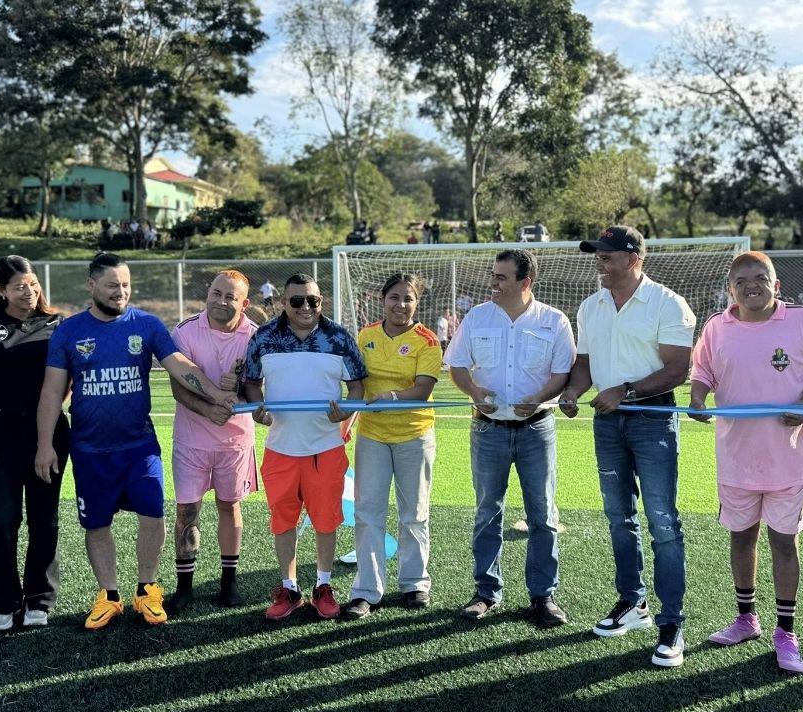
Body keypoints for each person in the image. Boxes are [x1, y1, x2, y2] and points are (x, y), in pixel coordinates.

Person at [34, 253, 235, 630]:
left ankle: (147, 589)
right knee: (96, 525)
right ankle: (109, 595)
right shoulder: (69, 331)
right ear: (91, 285)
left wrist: (216, 396)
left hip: (139, 448)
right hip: (90, 451)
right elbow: (51, 392)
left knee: (153, 515)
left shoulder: (145, 324)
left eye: (125, 285)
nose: (120, 292)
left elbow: (181, 367)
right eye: (112, 285)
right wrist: (45, 444)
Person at [689, 252, 803, 673]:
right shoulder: (717, 326)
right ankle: (745, 618)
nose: (752, 285)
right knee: (741, 536)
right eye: (742, 280)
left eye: (760, 278)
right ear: (731, 288)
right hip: (735, 457)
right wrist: (698, 398)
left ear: (776, 285)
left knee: (785, 542)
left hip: (788, 456)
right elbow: (702, 372)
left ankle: (786, 631)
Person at [560, 225, 695, 667]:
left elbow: (679, 369)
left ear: (634, 257)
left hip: (652, 417)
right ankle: (632, 603)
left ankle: (672, 622)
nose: (599, 261)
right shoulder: (590, 305)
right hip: (607, 421)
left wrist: (626, 391)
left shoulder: (667, 302)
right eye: (596, 254)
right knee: (619, 518)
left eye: (607, 255)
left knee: (662, 520)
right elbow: (584, 365)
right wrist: (573, 392)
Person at [445, 249, 575, 628]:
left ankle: (543, 596)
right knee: (488, 512)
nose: (493, 283)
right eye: (493, 275)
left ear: (525, 282)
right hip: (488, 431)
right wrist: (473, 391)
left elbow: (561, 371)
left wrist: (538, 398)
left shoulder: (554, 320)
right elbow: (456, 364)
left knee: (543, 514)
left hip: (538, 429)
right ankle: (486, 592)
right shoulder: (477, 316)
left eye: (501, 277)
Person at [242, 273, 367, 621]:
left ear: (320, 301)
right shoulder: (264, 337)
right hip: (281, 448)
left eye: (312, 300)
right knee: (284, 521)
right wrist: (258, 409)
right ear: (284, 302)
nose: (305, 307)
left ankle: (323, 585)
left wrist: (347, 411)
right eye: (297, 301)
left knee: (326, 520)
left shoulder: (339, 337)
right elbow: (251, 383)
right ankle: (290, 587)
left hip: (325, 448)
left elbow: (357, 387)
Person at [0, 256, 68, 632]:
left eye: (33, 284)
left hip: (49, 433)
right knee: (3, 520)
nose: (29, 292)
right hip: (0, 431)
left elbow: (67, 380)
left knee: (45, 518)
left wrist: (50, 427)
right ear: (1, 290)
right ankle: (3, 601)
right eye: (20, 286)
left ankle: (39, 599)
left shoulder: (57, 324)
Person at [342, 274, 442, 619]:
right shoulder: (365, 336)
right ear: (382, 300)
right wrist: (347, 414)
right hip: (372, 436)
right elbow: (355, 384)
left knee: (414, 513)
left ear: (417, 303)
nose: (401, 305)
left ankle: (415, 583)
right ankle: (366, 591)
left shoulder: (427, 341)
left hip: (414, 436)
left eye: (409, 299)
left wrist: (394, 397)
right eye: (394, 298)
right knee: (368, 513)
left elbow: (423, 390)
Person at [167, 271, 258, 613]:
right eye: (216, 293)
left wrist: (241, 392)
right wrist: (208, 408)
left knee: (229, 506)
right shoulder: (186, 330)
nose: (221, 301)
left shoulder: (254, 336)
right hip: (192, 440)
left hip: (235, 441)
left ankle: (228, 581)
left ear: (244, 303)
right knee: (187, 510)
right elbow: (178, 386)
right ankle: (185, 586)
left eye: (230, 297)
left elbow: (255, 387)